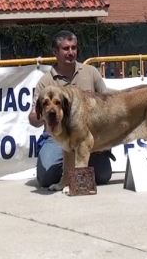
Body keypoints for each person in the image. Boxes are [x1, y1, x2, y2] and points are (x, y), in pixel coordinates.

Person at [28, 30, 114, 188]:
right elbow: (33, 118)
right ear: (55, 52)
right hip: (57, 140)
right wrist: (47, 112)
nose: (71, 52)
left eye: (74, 48)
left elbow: (109, 106)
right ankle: (70, 172)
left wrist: (105, 140)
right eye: (66, 49)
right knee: (46, 177)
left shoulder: (91, 73)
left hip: (88, 138)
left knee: (103, 175)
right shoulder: (45, 81)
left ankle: (78, 171)